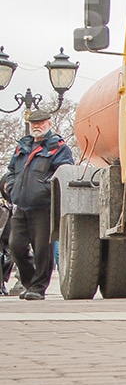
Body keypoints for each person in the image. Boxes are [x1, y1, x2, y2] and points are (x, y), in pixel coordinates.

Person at [3, 111, 74, 301]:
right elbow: (11, 171)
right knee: (15, 246)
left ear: (48, 123)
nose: (37, 126)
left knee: (43, 250)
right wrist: (11, 187)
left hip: (44, 207)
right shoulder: (22, 146)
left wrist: (44, 189)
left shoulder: (58, 147)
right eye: (33, 122)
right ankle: (30, 283)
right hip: (21, 206)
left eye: (41, 122)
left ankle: (39, 288)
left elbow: (64, 172)